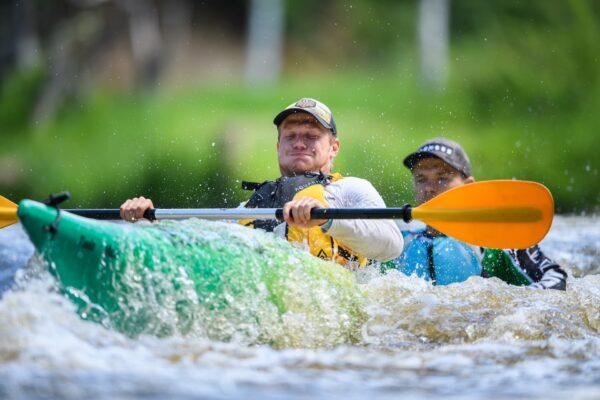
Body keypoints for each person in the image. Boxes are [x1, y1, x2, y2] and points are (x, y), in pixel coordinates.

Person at [120, 98, 403, 267]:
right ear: (279, 145)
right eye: (290, 136)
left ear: (333, 147)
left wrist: (326, 220)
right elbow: (199, 250)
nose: (299, 143)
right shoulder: (250, 207)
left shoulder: (351, 189)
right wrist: (148, 225)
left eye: (311, 136)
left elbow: (391, 247)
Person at [385, 138, 567, 289]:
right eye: (421, 179)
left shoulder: (496, 243)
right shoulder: (396, 245)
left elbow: (555, 277)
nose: (429, 189)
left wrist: (518, 304)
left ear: (468, 186)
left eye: (442, 178)